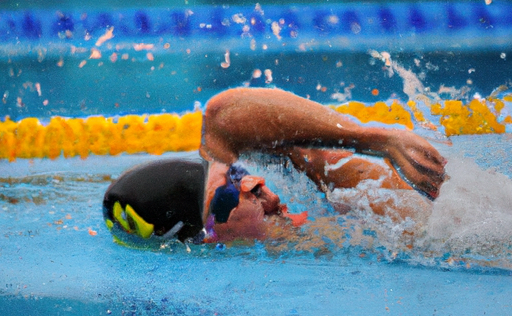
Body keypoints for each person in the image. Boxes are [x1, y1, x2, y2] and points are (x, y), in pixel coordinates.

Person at [103, 87, 445, 244]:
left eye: (242, 177)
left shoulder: (341, 189)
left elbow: (222, 115)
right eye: (226, 196)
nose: (263, 189)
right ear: (205, 236)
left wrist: (376, 140)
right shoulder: (332, 242)